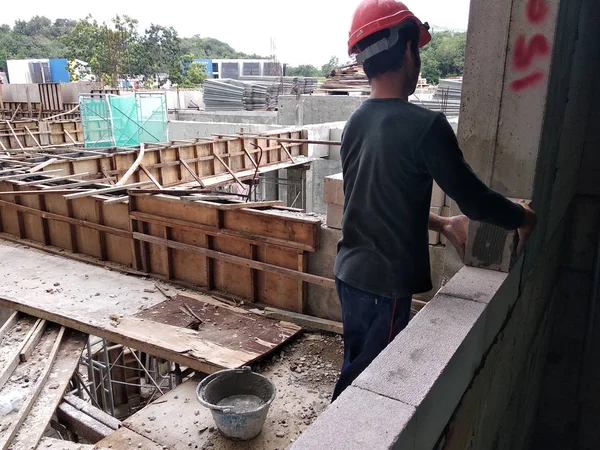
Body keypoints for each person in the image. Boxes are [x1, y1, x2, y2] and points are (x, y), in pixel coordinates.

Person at [331, 0, 537, 402]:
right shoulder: (425, 127)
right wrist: (521, 218)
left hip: (349, 273)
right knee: (364, 391)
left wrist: (442, 224)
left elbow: (373, 199)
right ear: (409, 50)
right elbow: (475, 201)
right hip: (385, 285)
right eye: (418, 51)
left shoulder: (355, 122)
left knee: (356, 364)